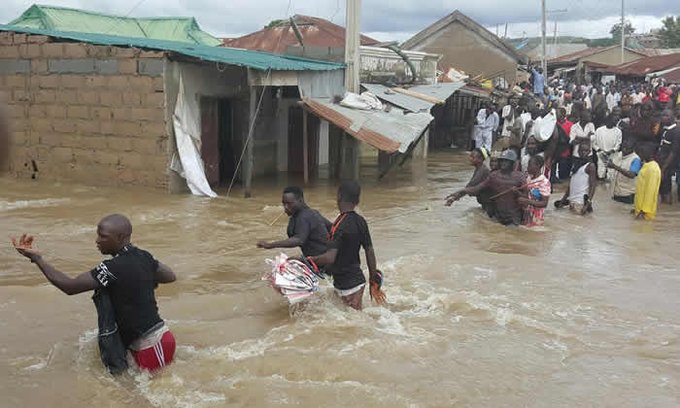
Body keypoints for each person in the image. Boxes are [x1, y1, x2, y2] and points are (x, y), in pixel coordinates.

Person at [11, 214, 177, 372]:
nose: (97, 240)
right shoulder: (143, 256)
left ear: (119, 237)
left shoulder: (112, 268)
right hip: (150, 340)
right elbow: (169, 276)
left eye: (103, 236)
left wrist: (37, 259)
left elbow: (69, 286)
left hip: (152, 344)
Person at [304, 181, 380, 311]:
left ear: (339, 197)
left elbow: (330, 258)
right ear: (357, 200)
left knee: (354, 322)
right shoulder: (360, 221)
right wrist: (373, 279)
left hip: (348, 285)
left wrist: (306, 260)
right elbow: (369, 250)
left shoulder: (339, 225)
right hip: (355, 282)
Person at [451, 150, 526, 225]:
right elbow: (477, 188)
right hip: (498, 216)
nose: (503, 163)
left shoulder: (520, 177)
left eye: (506, 161)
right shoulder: (493, 176)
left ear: (512, 163)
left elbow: (526, 198)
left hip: (513, 217)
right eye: (502, 160)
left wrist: (517, 192)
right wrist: (462, 191)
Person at [257, 186, 331, 257]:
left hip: (321, 261)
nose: (285, 207)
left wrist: (270, 245)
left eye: (289, 203)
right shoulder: (312, 213)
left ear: (300, 201)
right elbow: (332, 227)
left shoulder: (304, 216)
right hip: (320, 258)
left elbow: (299, 240)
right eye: (284, 203)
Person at [445, 148, 493, 214]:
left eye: (473, 157)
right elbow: (469, 187)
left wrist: (454, 197)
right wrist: (454, 198)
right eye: (470, 156)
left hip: (489, 205)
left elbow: (469, 188)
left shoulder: (483, 171)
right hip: (486, 203)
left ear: (480, 159)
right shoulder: (479, 169)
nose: (470, 159)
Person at [555, 142, 597, 215]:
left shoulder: (590, 166)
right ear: (578, 152)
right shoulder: (575, 165)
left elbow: (593, 186)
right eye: (581, 150)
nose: (583, 153)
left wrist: (587, 204)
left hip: (581, 203)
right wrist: (562, 201)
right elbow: (571, 185)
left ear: (589, 152)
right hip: (572, 202)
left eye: (586, 151)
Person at [607, 138, 641, 204]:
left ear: (633, 148)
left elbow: (632, 175)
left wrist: (614, 167)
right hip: (615, 192)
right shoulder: (619, 154)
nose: (624, 150)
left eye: (627, 148)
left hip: (627, 195)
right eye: (623, 147)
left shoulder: (636, 160)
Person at [520, 155, 551, 227]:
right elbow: (527, 195)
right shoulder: (528, 178)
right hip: (526, 215)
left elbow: (544, 203)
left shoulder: (544, 182)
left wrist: (527, 201)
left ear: (538, 166)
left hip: (536, 217)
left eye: (530, 165)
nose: (527, 167)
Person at [657, 109, 680, 204]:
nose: (663, 117)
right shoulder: (664, 129)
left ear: (672, 117)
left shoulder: (676, 132)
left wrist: (664, 167)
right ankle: (664, 210)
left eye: (666, 115)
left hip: (668, 164)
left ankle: (667, 205)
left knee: (666, 188)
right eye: (662, 115)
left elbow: (674, 152)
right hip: (661, 161)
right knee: (661, 188)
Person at [634, 144, 662, 220]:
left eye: (640, 153)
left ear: (648, 153)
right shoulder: (646, 165)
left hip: (645, 214)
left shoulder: (653, 169)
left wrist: (644, 211)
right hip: (640, 209)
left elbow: (651, 191)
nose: (639, 156)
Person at [592, 115, 623, 180]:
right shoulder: (599, 130)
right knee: (600, 171)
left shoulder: (618, 131)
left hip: (613, 154)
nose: (615, 122)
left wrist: (612, 151)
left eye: (616, 120)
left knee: (611, 173)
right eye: (613, 120)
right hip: (601, 153)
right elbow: (594, 143)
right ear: (608, 120)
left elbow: (618, 144)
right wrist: (599, 150)